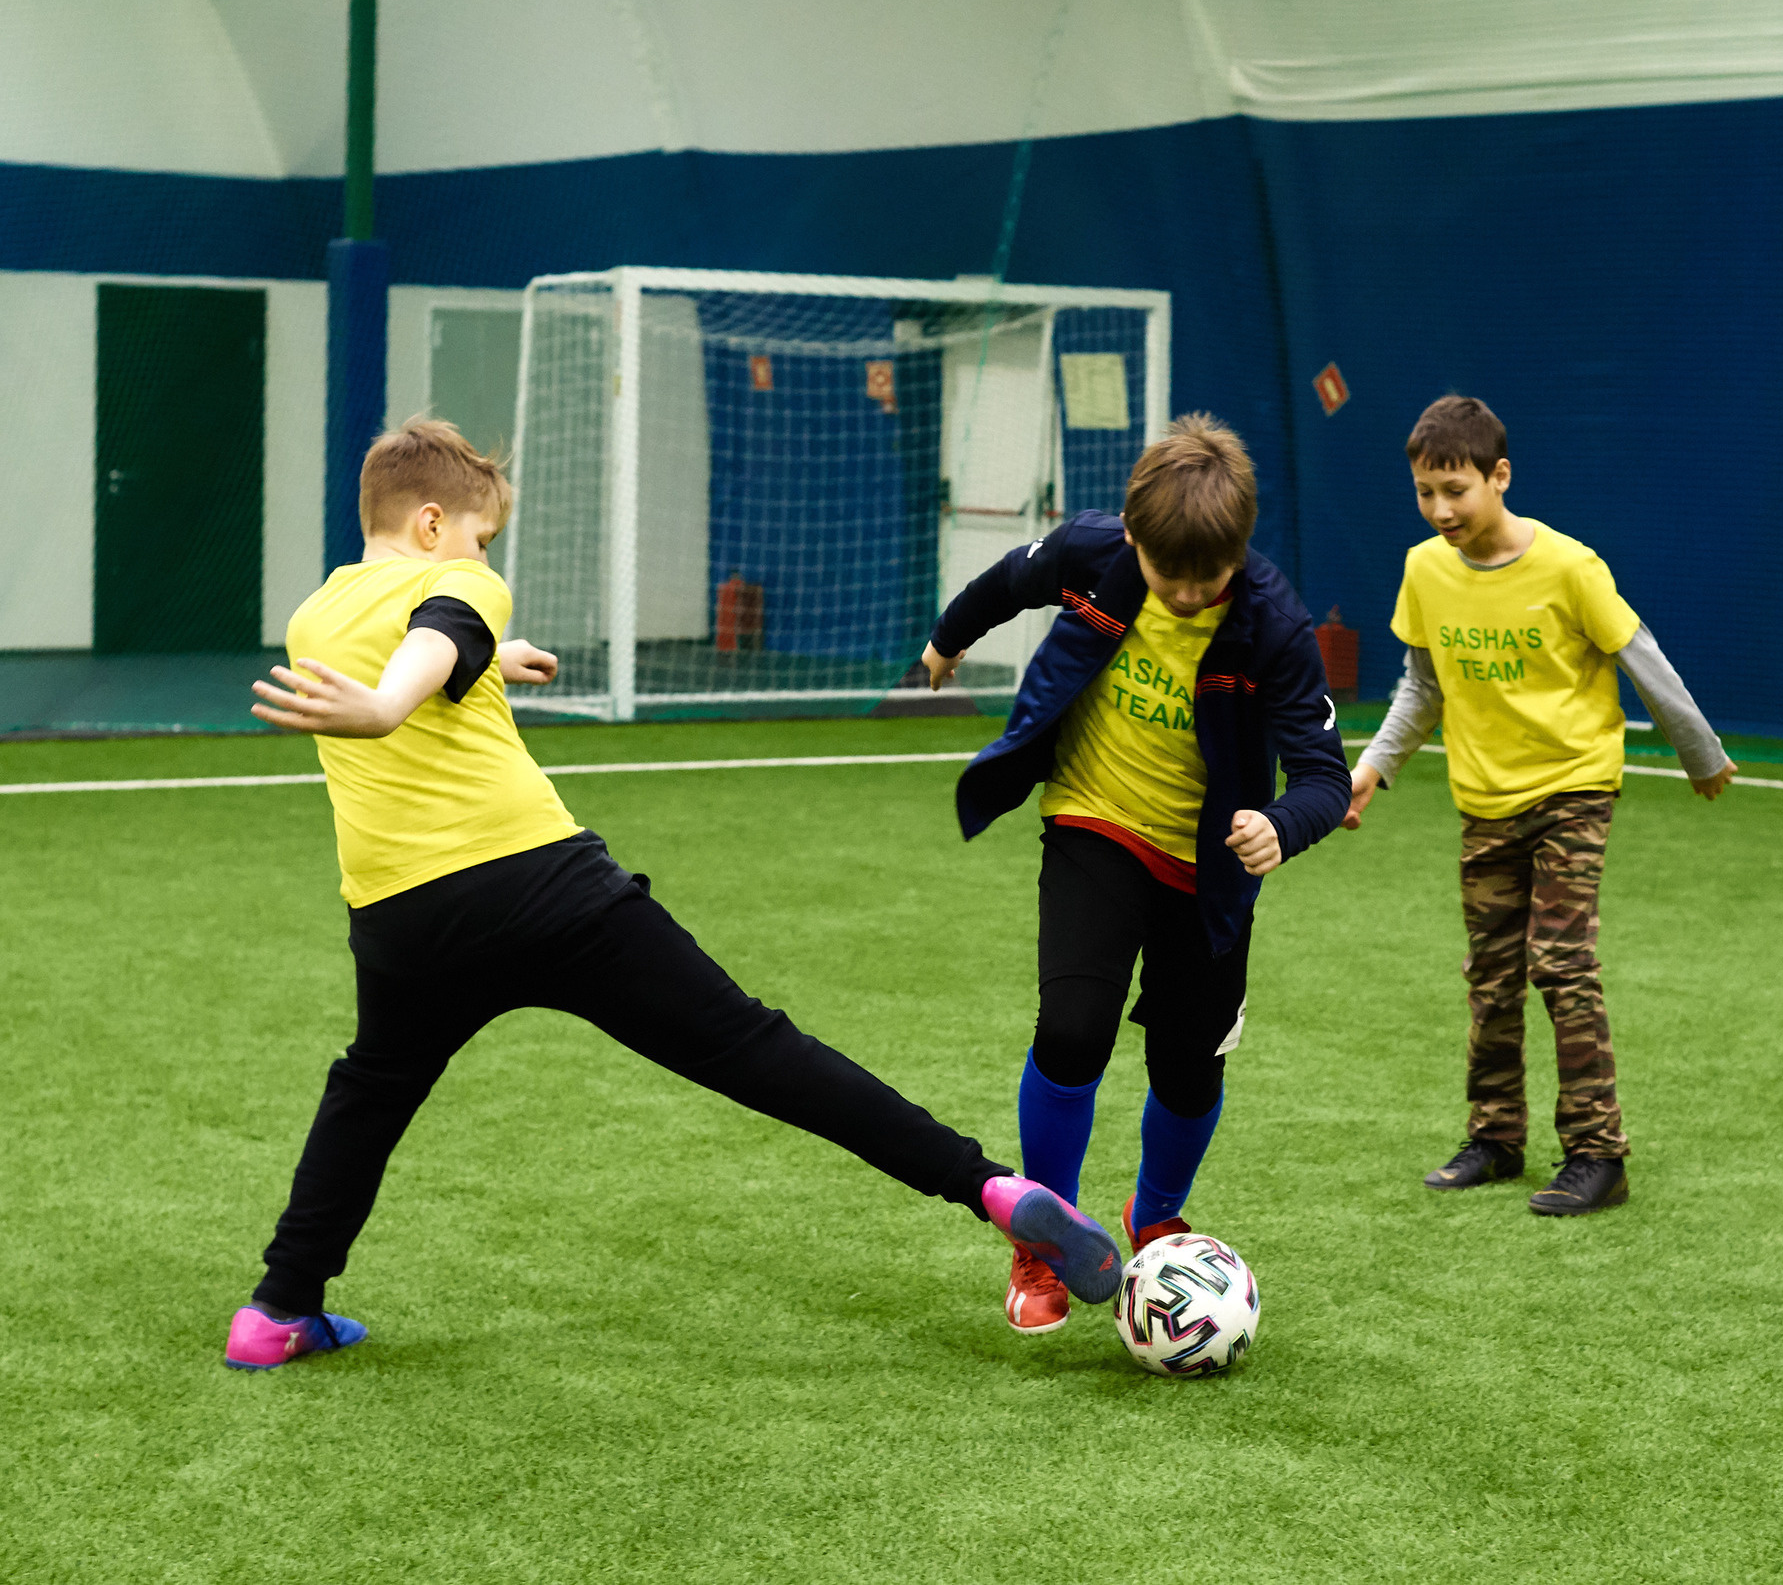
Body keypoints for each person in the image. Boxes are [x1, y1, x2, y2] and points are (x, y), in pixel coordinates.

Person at [224, 417, 1117, 1371]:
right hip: (541, 887)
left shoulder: (317, 613)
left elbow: (422, 643)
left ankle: (278, 1308)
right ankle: (988, 1188)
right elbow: (431, 642)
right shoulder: (463, 584)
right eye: (482, 537)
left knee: (369, 1091)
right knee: (753, 1047)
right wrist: (390, 703)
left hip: (404, 920)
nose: (487, 556)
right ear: (436, 523)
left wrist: (477, 660)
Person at [918, 415, 1349, 1334]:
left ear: (1239, 554)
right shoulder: (1095, 551)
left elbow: (1324, 777)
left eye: (1210, 580)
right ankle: (1048, 1236)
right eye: (1169, 577)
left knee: (1186, 1068)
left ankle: (1153, 1216)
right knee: (1073, 1029)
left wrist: (1280, 824)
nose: (1189, 596)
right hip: (1094, 820)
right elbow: (1010, 580)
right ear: (1134, 536)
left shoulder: (1273, 624)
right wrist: (947, 639)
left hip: (1208, 869)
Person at [1343, 395, 1737, 1217]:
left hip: (1573, 788)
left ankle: (1599, 1152)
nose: (1441, 508)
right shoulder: (1424, 570)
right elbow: (1422, 684)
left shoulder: (1569, 566)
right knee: (1490, 975)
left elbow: (1642, 658)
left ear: (1500, 476)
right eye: (1425, 491)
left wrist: (1699, 751)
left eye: (1456, 488)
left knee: (1561, 964)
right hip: (1483, 800)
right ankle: (1495, 1136)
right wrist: (1375, 761)